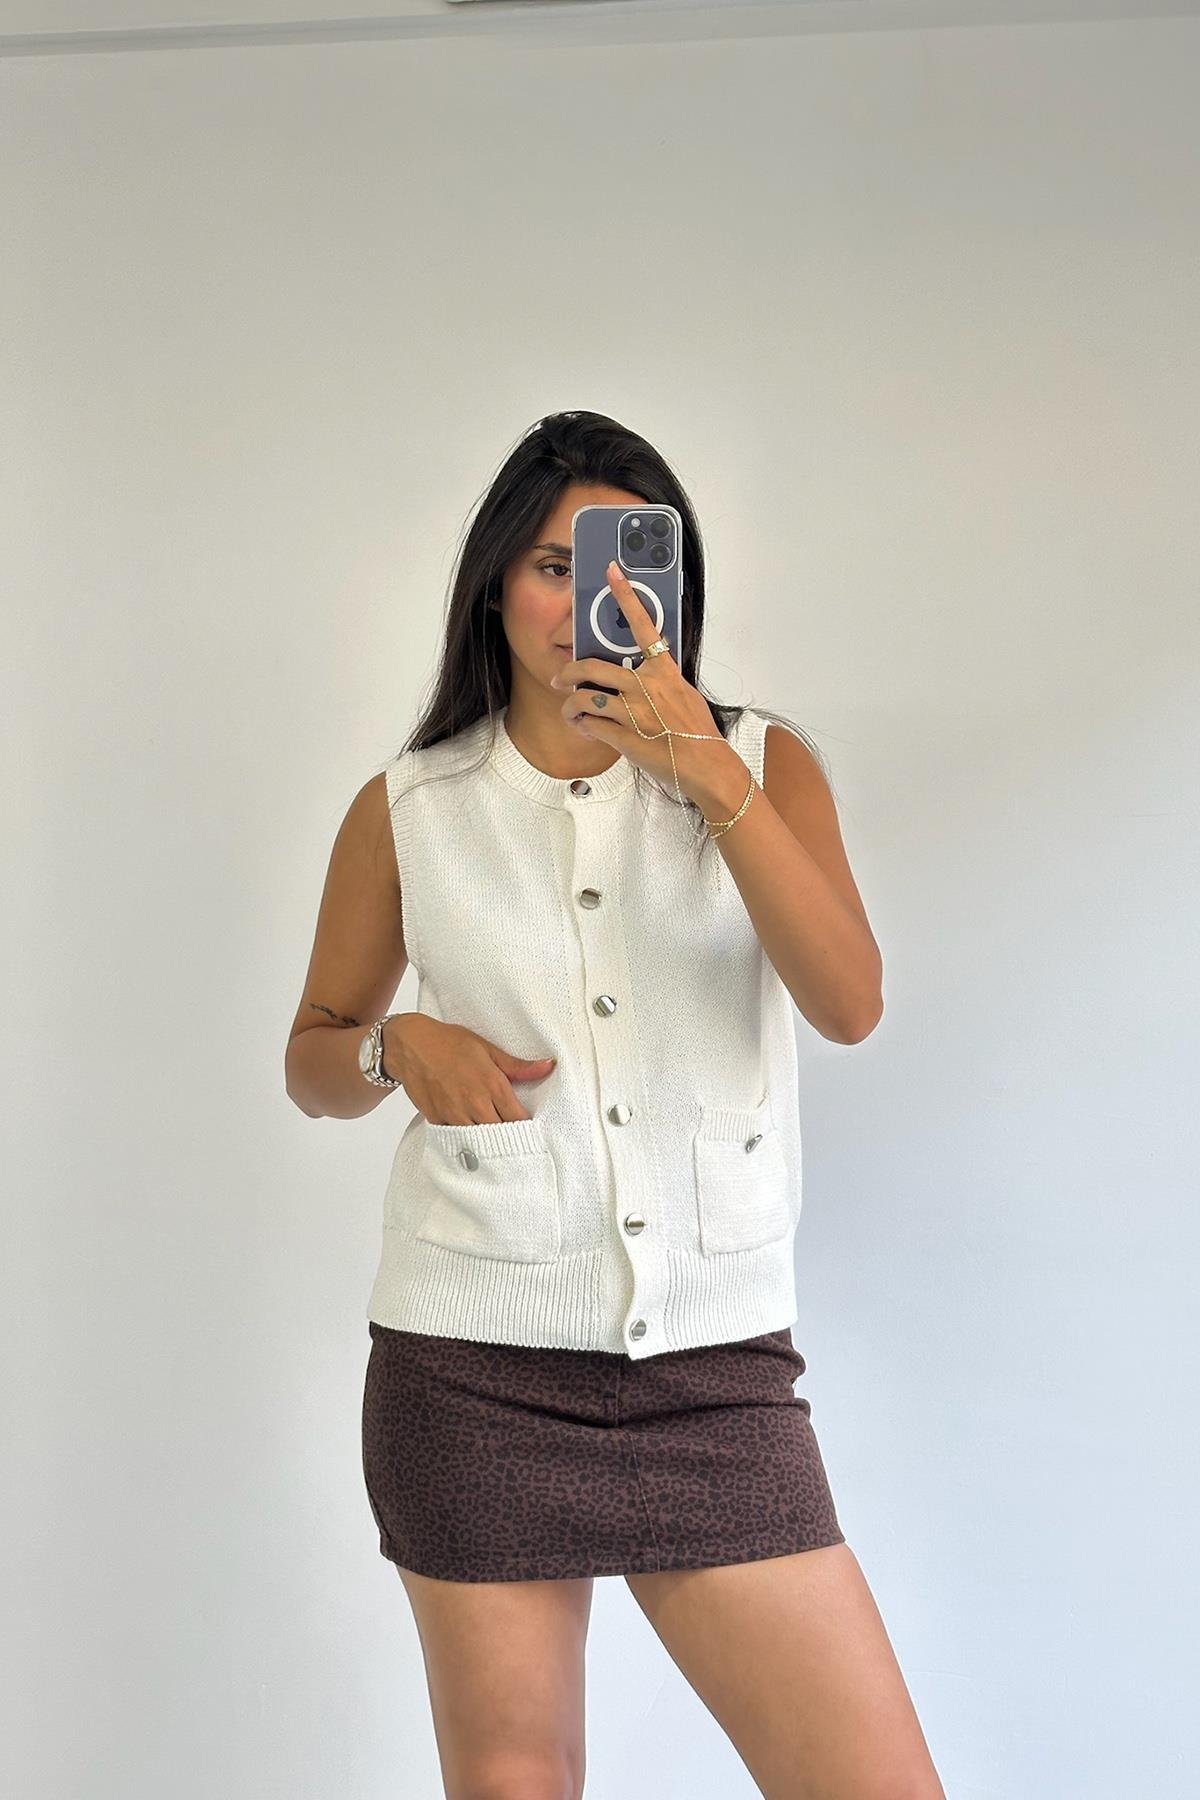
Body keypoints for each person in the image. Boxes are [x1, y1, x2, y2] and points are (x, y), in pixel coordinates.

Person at [285, 411, 946, 1800]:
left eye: (634, 563)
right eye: (552, 564)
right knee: (516, 1782)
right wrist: (398, 1047)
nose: (594, 599)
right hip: (472, 1370)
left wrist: (704, 771)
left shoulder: (760, 764)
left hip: (715, 1373)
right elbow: (314, 1059)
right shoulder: (411, 808)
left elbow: (849, 1004)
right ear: (494, 587)